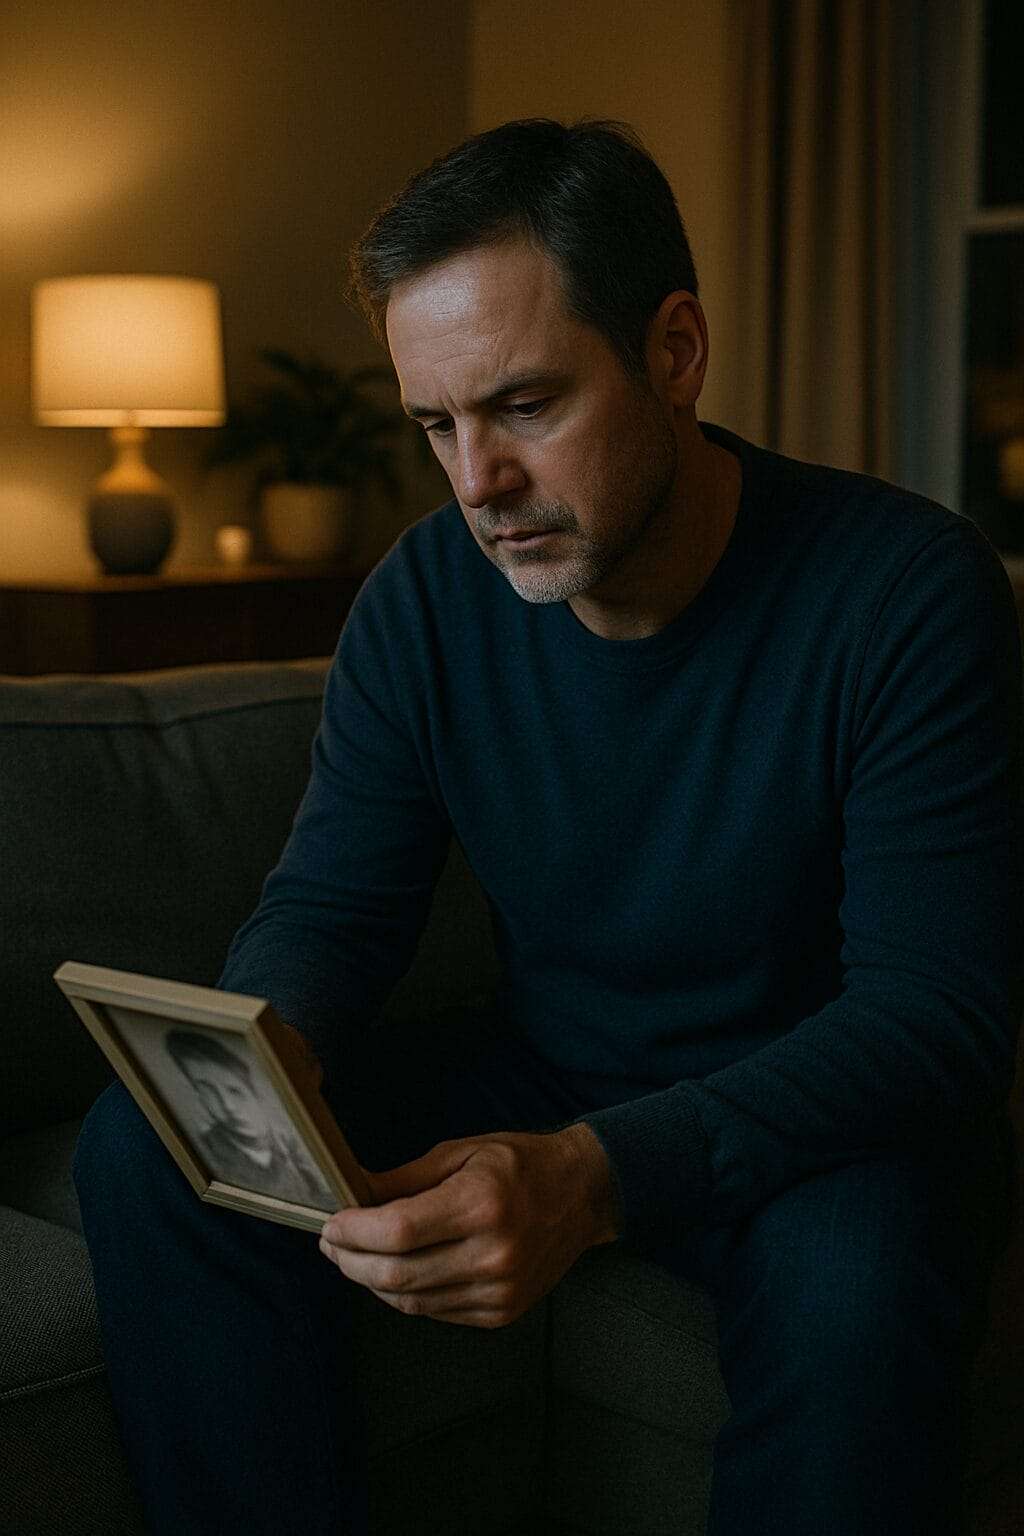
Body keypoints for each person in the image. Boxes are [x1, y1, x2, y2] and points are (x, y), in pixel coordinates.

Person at [73, 118, 1022, 1536]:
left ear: (677, 351)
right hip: (555, 1063)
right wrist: (264, 1058)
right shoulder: (421, 596)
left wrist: (592, 1178)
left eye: (524, 405)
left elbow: (936, 1013)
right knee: (144, 1151)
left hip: (826, 1106)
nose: (476, 485)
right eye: (437, 426)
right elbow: (335, 905)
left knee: (857, 1291)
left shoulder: (907, 594)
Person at [163, 1028, 333, 1206]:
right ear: (198, 1094)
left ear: (254, 1091)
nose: (228, 1106)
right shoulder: (207, 1152)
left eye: (235, 1091)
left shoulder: (286, 1138)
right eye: (209, 1091)